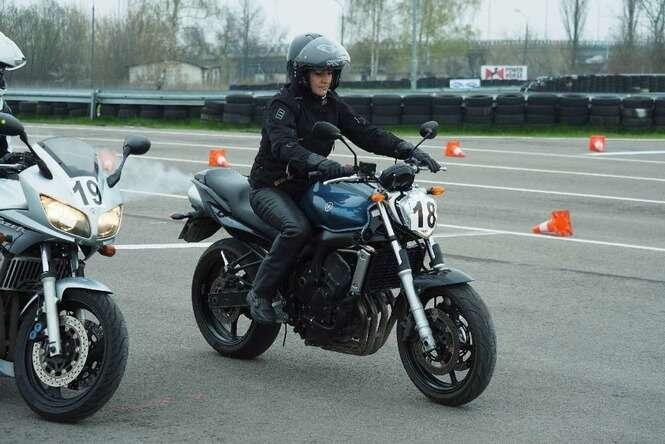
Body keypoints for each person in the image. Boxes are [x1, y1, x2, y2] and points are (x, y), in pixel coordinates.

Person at [246, 34, 440, 323]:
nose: (325, 79)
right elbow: (283, 146)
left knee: (363, 216)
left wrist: (408, 149)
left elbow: (366, 133)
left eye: (330, 72)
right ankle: (259, 294)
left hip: (312, 185)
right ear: (301, 74)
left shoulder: (332, 104)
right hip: (272, 187)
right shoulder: (283, 105)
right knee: (296, 230)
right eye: (318, 73)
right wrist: (320, 162)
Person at [0, 31, 26, 157]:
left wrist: (12, 159)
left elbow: (5, 148)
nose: (1, 74)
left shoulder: (2, 106)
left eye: (2, 70)